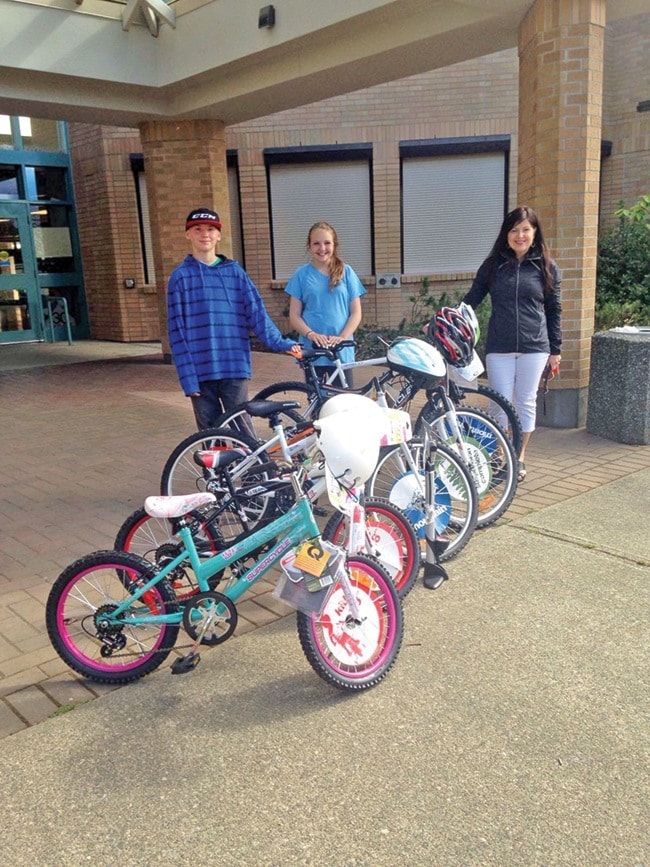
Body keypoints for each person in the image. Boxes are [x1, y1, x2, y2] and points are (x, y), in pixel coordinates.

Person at [167, 207, 300, 430]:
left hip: (233, 366)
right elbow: (177, 332)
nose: (204, 234)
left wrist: (281, 343)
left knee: (243, 431)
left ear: (219, 235)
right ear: (188, 234)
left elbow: (256, 313)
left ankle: (247, 466)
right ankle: (215, 468)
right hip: (200, 371)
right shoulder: (180, 278)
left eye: (210, 229)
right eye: (197, 229)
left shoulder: (235, 273)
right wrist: (187, 378)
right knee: (210, 435)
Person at [461, 206, 562, 482]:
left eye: (525, 230)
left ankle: (518, 457)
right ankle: (497, 454)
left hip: (535, 346)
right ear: (506, 234)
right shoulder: (494, 265)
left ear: (534, 232)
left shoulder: (547, 267)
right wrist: (447, 319)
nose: (520, 235)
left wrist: (556, 351)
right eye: (514, 230)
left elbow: (554, 310)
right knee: (498, 403)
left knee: (525, 402)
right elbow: (472, 299)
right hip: (500, 346)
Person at [285, 221, 366, 386]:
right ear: (309, 246)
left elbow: (356, 313)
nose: (322, 248)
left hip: (341, 350)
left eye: (327, 243)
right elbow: (294, 315)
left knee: (343, 402)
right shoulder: (301, 275)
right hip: (313, 350)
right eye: (316, 243)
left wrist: (342, 338)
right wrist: (311, 334)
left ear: (334, 245)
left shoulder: (347, 272)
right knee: (317, 403)